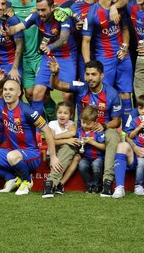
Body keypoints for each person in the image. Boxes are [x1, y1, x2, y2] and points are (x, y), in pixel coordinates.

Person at [0, 70, 61, 195]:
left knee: (12, 156)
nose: (7, 92)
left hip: (31, 154)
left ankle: (27, 180)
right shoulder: (0, 103)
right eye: (5, 89)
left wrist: (53, 157)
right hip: (11, 152)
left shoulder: (27, 110)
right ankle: (10, 177)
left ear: (19, 93)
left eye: (11, 90)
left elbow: (47, 130)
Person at [49, 58, 122, 197]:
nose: (90, 78)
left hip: (102, 132)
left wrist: (104, 125)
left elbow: (117, 121)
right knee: (68, 143)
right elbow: (57, 85)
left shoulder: (111, 93)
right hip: (81, 133)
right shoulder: (80, 86)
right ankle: (51, 183)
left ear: (101, 75)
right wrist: (55, 74)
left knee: (113, 135)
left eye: (93, 74)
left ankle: (107, 182)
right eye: (87, 74)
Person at [5, 0, 76, 115]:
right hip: (48, 57)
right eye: (38, 10)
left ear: (52, 7)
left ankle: (68, 130)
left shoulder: (62, 17)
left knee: (67, 95)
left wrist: (51, 47)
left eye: (43, 10)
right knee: (36, 93)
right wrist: (7, 31)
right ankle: (39, 130)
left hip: (66, 57)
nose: (41, 13)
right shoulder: (35, 16)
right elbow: (18, 28)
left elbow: (64, 39)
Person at [82, 0, 133, 116]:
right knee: (106, 94)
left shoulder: (118, 6)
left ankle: (127, 129)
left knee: (126, 94)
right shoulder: (92, 14)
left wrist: (124, 48)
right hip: (105, 59)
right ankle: (107, 127)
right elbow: (85, 41)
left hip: (123, 56)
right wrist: (88, 65)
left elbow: (125, 30)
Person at [8, 0, 41, 102]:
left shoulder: (38, 3)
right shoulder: (10, 4)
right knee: (27, 93)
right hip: (19, 56)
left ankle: (51, 118)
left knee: (42, 93)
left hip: (37, 55)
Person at [43, 101, 78, 196]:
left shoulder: (71, 124)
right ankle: (50, 183)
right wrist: (66, 140)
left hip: (66, 159)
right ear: (56, 114)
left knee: (77, 157)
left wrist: (54, 137)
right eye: (60, 113)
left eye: (66, 113)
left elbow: (72, 133)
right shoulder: (52, 124)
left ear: (70, 115)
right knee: (68, 146)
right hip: (52, 158)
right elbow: (51, 143)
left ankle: (59, 184)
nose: (62, 115)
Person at [75, 105, 106, 193]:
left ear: (95, 122)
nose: (84, 125)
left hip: (98, 158)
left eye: (88, 124)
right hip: (86, 158)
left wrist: (92, 142)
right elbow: (77, 146)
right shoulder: (79, 131)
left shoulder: (98, 132)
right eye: (83, 122)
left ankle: (97, 185)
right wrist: (78, 143)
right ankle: (89, 185)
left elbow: (104, 147)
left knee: (96, 165)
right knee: (82, 165)